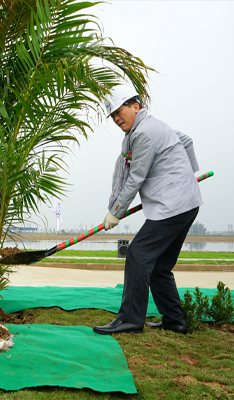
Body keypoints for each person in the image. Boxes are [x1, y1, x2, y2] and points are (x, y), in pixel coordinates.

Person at [93, 84, 202, 336]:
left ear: (136, 106)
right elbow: (186, 140)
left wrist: (116, 212)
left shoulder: (144, 133)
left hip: (173, 205)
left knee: (138, 255)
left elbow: (136, 178)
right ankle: (174, 321)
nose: (116, 118)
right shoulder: (152, 127)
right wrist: (186, 174)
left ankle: (129, 320)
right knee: (159, 266)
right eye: (112, 116)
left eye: (119, 111)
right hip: (186, 203)